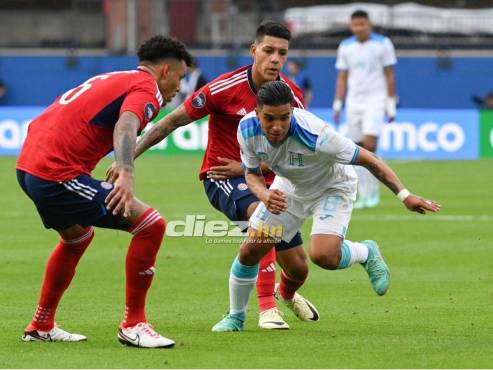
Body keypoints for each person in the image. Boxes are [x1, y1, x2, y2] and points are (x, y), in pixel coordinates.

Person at [107, 21, 317, 330]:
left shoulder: (291, 98)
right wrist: (130, 156)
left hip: (265, 181)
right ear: (254, 50)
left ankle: (284, 292)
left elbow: (302, 155)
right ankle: (266, 308)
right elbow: (172, 121)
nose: (275, 59)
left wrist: (251, 169)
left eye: (282, 53)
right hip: (221, 177)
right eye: (269, 51)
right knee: (260, 218)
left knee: (299, 268)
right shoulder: (224, 88)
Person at [212, 81, 440, 332]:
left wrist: (404, 195)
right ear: (256, 113)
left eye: (284, 118)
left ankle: (366, 252)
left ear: (291, 113)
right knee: (250, 250)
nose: (277, 127)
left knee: (324, 256)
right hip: (290, 185)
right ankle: (236, 317)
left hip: (333, 187)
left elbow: (369, 158)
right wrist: (264, 194)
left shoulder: (317, 135)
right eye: (269, 119)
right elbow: (252, 174)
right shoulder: (246, 130)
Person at [16, 35, 192, 348]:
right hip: (56, 172)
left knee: (77, 237)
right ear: (165, 70)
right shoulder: (147, 87)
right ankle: (134, 324)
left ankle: (41, 324)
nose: (179, 87)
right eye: (180, 77)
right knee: (151, 224)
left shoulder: (116, 77)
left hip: (29, 166)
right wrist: (125, 171)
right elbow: (125, 125)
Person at [333, 10, 397, 209]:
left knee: (370, 144)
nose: (359, 28)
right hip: (354, 101)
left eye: (362, 24)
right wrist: (338, 103)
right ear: (351, 26)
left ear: (369, 24)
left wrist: (390, 103)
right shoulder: (346, 46)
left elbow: (389, 74)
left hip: (375, 100)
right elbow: (342, 77)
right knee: (357, 149)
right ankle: (363, 193)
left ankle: (374, 188)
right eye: (355, 25)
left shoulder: (383, 43)